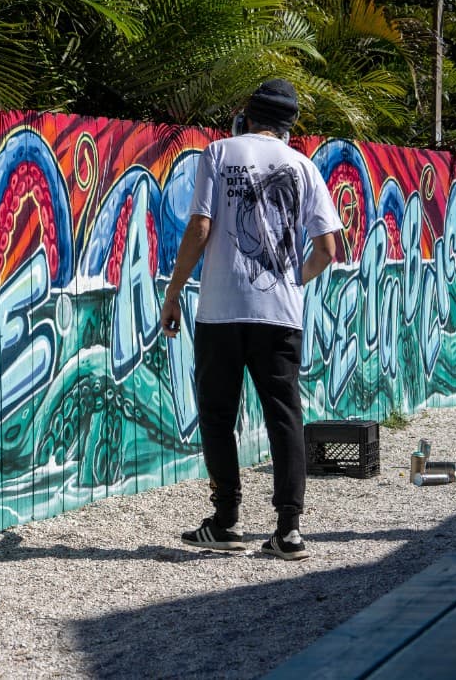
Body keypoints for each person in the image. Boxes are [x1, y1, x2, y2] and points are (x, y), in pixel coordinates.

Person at [160, 79, 341, 560]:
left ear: (247, 114)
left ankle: (226, 522)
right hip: (280, 315)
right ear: (288, 126)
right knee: (284, 417)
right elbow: (327, 250)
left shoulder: (218, 153)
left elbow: (200, 228)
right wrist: (292, 281)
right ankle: (289, 530)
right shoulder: (304, 167)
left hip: (221, 310)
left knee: (219, 416)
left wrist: (174, 291)